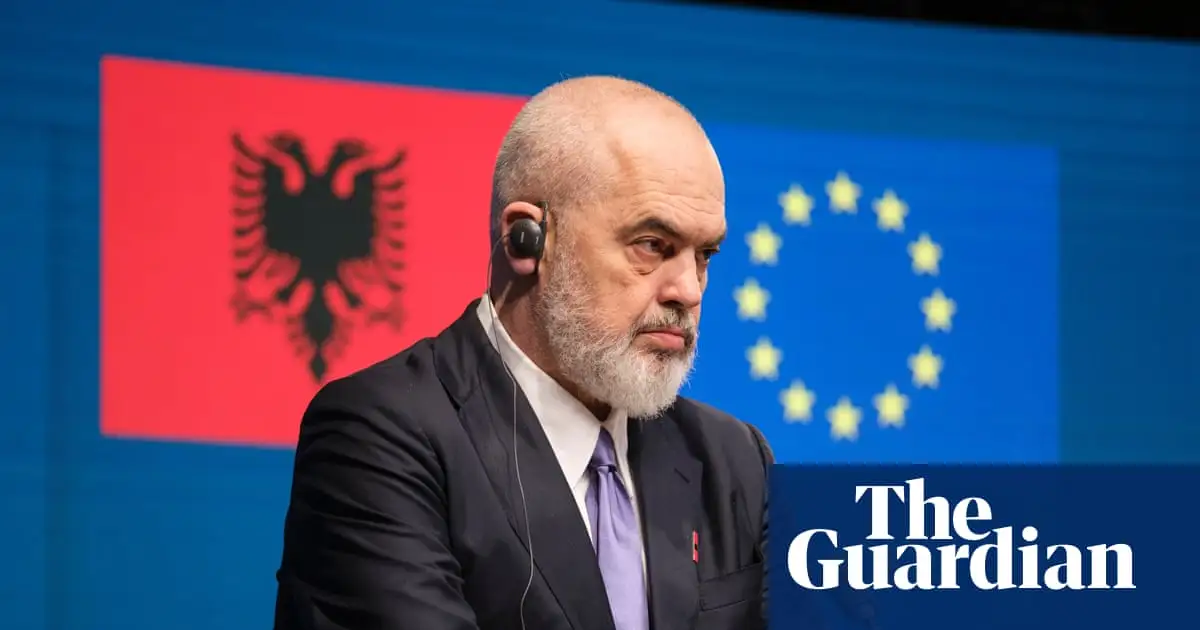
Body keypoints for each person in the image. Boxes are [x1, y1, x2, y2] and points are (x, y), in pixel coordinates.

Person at [273, 76, 773, 630]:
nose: (689, 290)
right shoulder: (377, 437)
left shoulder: (736, 460)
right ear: (527, 239)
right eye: (652, 245)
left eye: (704, 255)